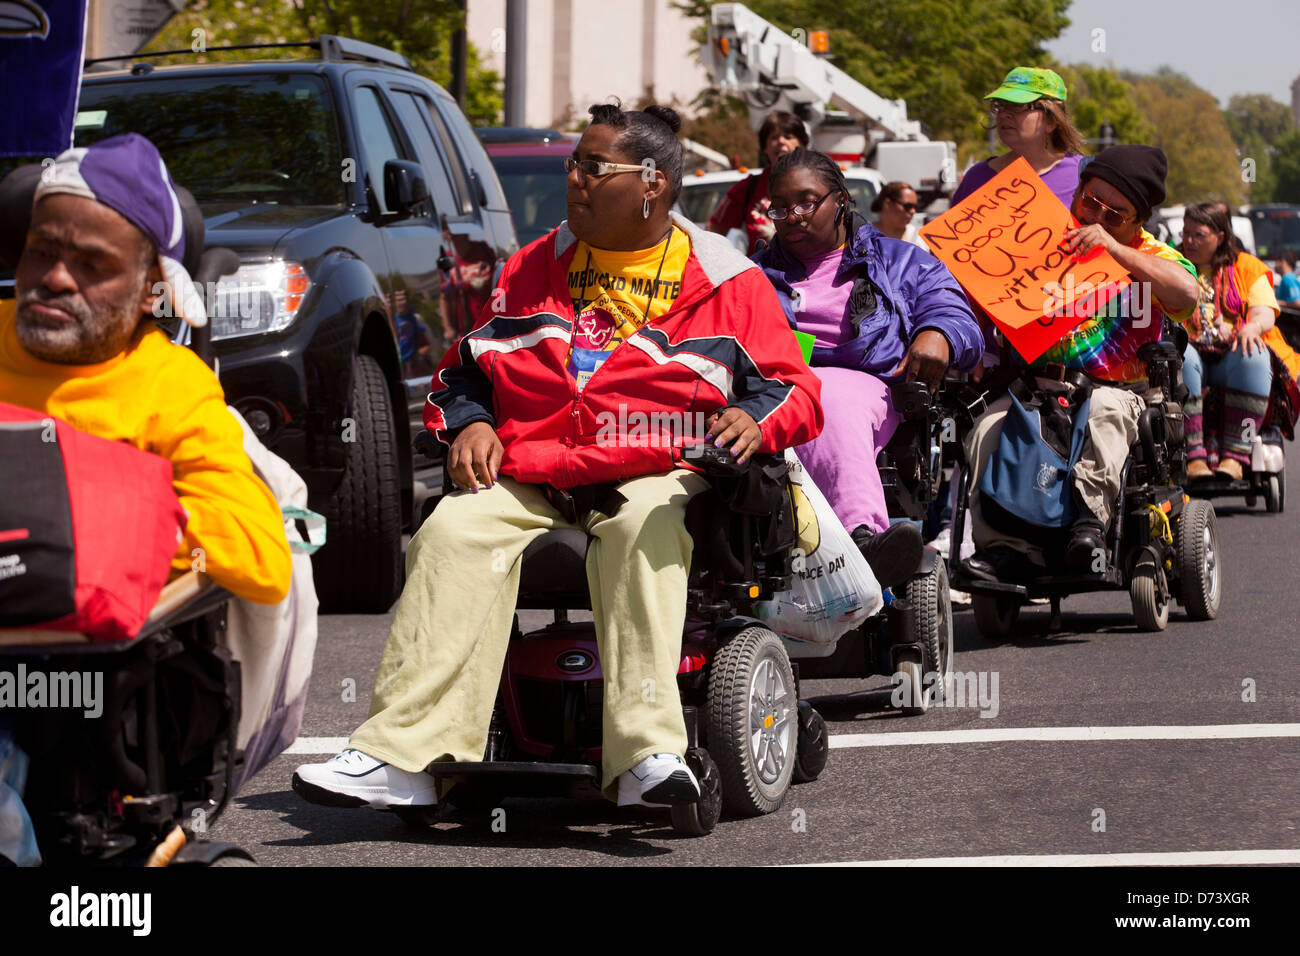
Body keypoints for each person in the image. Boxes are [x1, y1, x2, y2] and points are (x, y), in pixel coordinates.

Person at [293, 102, 822, 812]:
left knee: (644, 528)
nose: (572, 177)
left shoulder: (727, 281)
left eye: (592, 166)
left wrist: (753, 420)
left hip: (656, 471)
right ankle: (405, 756)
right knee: (451, 532)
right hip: (535, 468)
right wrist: (472, 426)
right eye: (573, 162)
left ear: (651, 184)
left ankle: (647, 754)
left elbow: (793, 389)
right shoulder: (533, 266)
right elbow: (462, 374)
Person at [0, 134, 291, 606]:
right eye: (41, 252)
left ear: (148, 289)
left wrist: (72, 518)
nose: (55, 277)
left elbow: (260, 554)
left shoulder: (172, 387)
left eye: (93, 265)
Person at [962, 145, 1200, 580]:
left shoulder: (1150, 254)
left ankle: (1089, 527)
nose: (1097, 218)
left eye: (1115, 215)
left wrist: (1113, 248)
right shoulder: (1040, 235)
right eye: (1091, 202)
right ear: (1077, 193)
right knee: (985, 431)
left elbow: (1186, 293)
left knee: (1104, 414)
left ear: (1137, 222)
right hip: (1038, 388)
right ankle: (1002, 548)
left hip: (1119, 390)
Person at [752, 148, 983, 588]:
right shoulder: (752, 275)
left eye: (806, 202)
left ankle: (861, 541)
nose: (793, 216)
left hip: (865, 388)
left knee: (828, 397)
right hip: (769, 393)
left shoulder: (900, 262)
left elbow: (957, 318)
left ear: (840, 199)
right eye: (781, 208)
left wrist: (938, 333)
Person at [1177, 203, 1300, 480]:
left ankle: (1236, 456)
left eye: (1199, 235)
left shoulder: (1247, 266)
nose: (1189, 241)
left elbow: (1265, 312)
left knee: (1255, 355)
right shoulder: (1173, 262)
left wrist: (1252, 327)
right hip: (1191, 353)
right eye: (1186, 233)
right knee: (1180, 354)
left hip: (1232, 352)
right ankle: (1193, 456)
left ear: (1220, 236)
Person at [953, 67, 1088, 211]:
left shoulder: (1085, 174)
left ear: (1051, 120)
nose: (1004, 114)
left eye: (1018, 106)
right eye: (1000, 106)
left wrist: (1104, 234)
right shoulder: (977, 177)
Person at [707, 110, 809, 255]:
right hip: (760, 275)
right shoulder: (747, 188)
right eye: (774, 137)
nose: (781, 141)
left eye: (788, 136)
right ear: (765, 148)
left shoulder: (819, 183)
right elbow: (714, 232)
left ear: (802, 143)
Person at [871, 181, 929, 250]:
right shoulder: (864, 235)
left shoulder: (918, 239)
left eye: (915, 207)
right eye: (907, 206)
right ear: (888, 204)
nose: (913, 211)